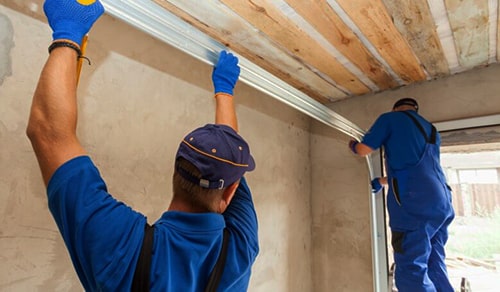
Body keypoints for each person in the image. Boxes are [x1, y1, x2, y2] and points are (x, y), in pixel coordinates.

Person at [26, 0, 258, 291]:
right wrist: (224, 90)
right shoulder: (241, 246)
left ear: (175, 171)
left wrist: (68, 31)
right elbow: (46, 132)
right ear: (231, 191)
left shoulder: (125, 249)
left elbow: (50, 133)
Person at [348, 98, 455, 292]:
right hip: (441, 201)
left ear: (395, 108)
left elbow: (364, 150)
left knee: (412, 269)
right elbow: (417, 171)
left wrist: (354, 145)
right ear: (416, 110)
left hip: (415, 207)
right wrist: (382, 181)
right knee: (434, 261)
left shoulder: (390, 119)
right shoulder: (431, 129)